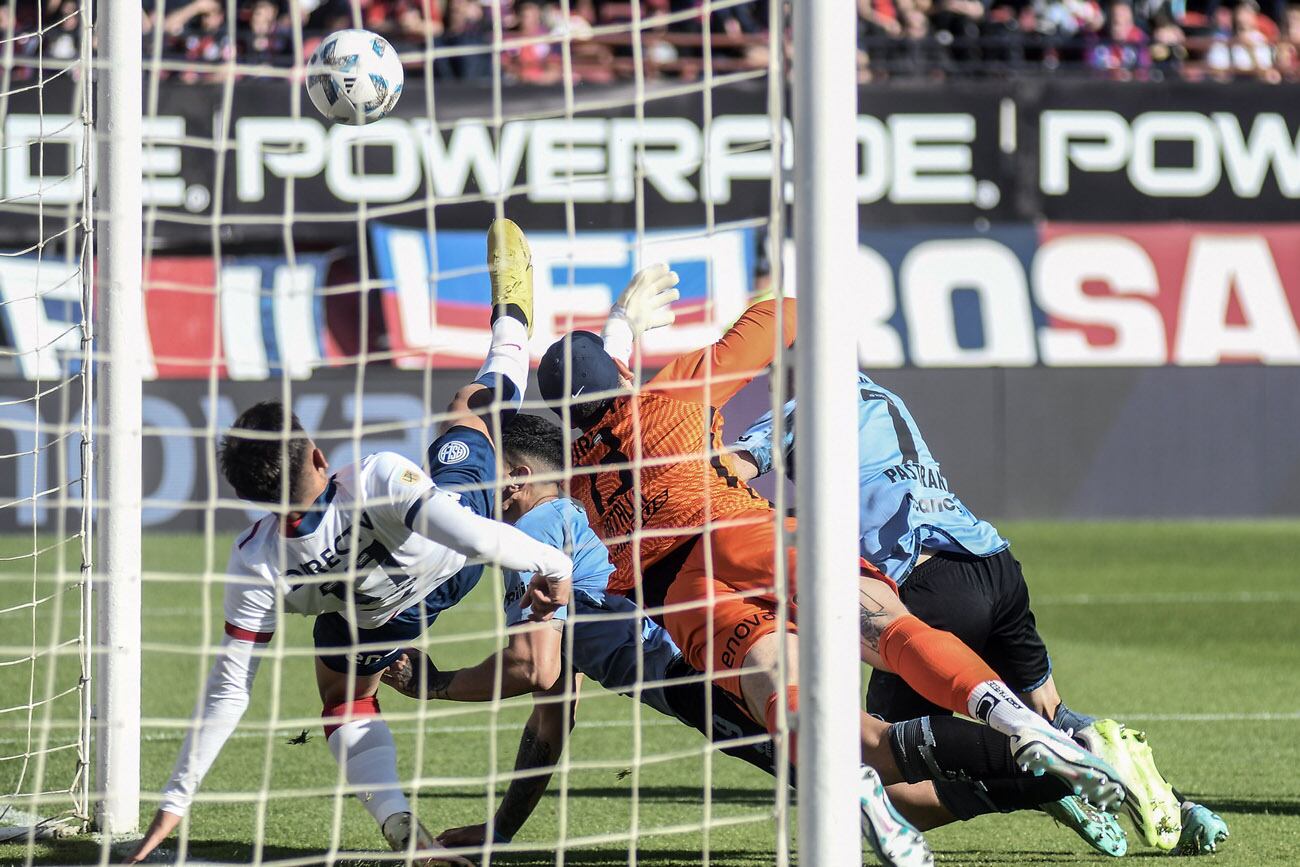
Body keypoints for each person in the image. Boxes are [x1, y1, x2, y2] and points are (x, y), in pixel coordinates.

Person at [535, 286, 1127, 864]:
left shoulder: (576, 480)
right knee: (887, 626)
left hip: (680, 594)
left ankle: (848, 782)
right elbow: (784, 316)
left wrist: (615, 336)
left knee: (779, 689)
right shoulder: (672, 395)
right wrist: (634, 327)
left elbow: (582, 422)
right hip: (742, 531)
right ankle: (1017, 721)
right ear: (623, 374)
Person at [381, 413, 1119, 862]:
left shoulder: (537, 530)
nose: (469, 504)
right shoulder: (573, 526)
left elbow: (533, 665)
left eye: (478, 486)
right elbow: (554, 706)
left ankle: (1054, 765)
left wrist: (436, 681)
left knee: (871, 759)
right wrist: (503, 830)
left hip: (706, 668)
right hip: (713, 652)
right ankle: (1044, 767)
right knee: (875, 775)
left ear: (514, 478)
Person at [125, 220, 571, 866]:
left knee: (341, 693)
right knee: (472, 403)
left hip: (384, 616)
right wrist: (548, 561)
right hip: (455, 545)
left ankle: (396, 821)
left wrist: (173, 804)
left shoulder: (256, 560)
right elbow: (468, 531)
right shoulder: (372, 480)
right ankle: (513, 320)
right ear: (315, 453)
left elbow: (228, 690)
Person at [729, 367, 1230, 856]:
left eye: (772, 369)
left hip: (924, 585)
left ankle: (1058, 782)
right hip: (993, 563)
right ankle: (1179, 808)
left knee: (893, 786)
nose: (769, 383)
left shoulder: (803, 408)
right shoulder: (883, 396)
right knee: (1047, 714)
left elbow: (724, 477)